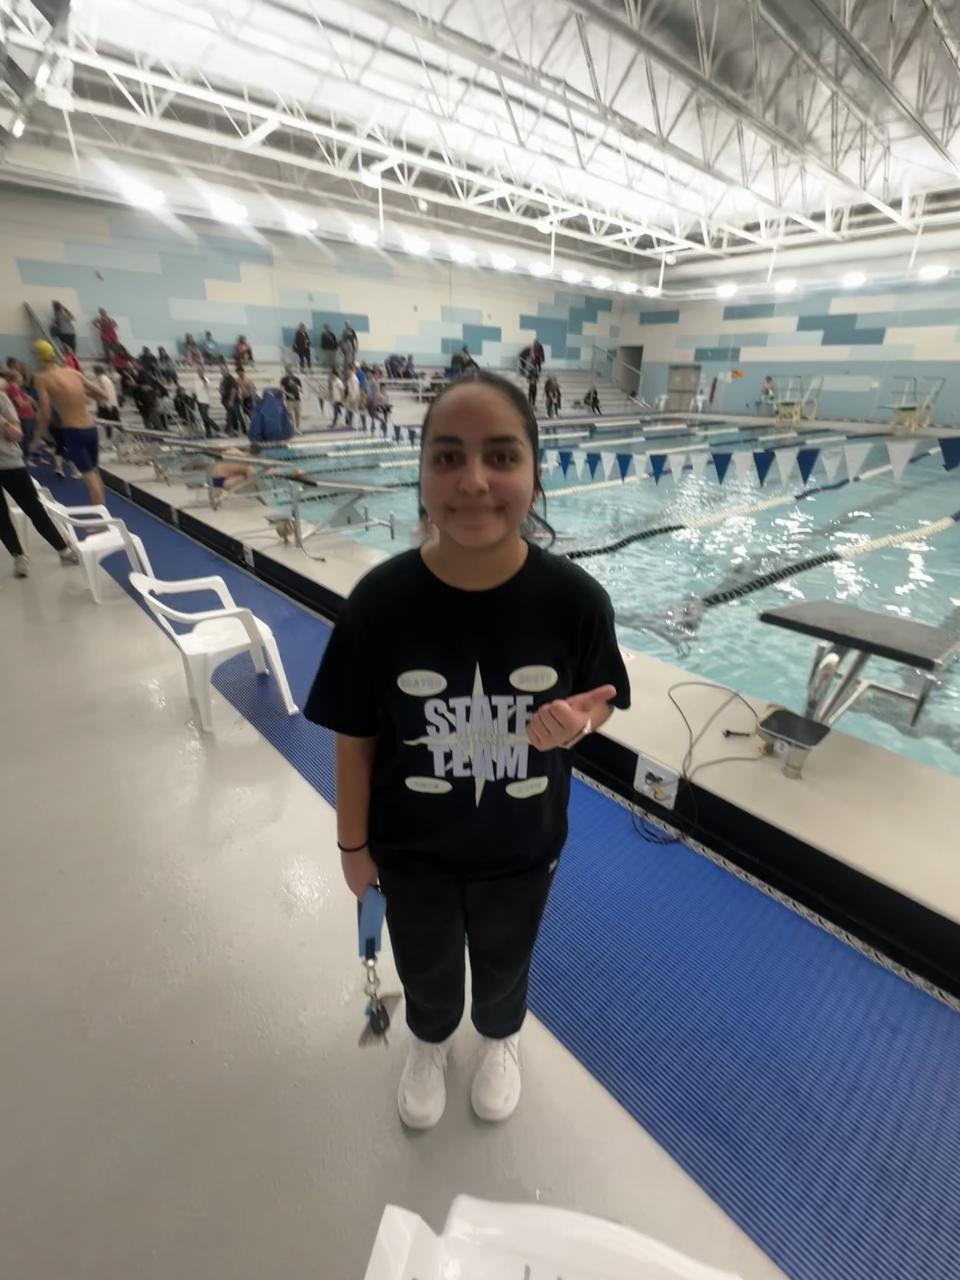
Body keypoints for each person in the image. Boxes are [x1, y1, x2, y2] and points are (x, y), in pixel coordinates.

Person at [303, 370, 630, 1130]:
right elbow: (356, 738)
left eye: (502, 457)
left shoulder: (576, 602)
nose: (474, 481)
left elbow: (602, 701)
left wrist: (580, 725)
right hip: (410, 850)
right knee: (424, 959)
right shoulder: (379, 604)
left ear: (535, 474)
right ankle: (428, 1040)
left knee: (508, 957)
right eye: (448, 457)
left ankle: (500, 1037)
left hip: (522, 845)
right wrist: (352, 847)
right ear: (421, 473)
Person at [0, 381, 78, 578]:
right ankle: (18, 557)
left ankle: (62, 549)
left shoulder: (1, 398)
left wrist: (3, 422)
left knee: (34, 509)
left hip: (10, 464)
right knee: (1, 517)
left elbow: (17, 435)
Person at [33, 340, 109, 506]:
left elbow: (45, 414)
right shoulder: (73, 373)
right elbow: (103, 395)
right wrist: (80, 393)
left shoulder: (42, 379)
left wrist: (36, 439)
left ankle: (101, 519)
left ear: (38, 358)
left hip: (74, 432)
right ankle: (104, 513)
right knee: (95, 475)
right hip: (91, 429)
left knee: (91, 482)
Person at [5, 369, 38, 457]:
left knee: (29, 436)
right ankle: (23, 456)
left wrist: (30, 400)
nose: (21, 377)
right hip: (24, 416)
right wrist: (29, 401)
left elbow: (27, 398)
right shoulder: (12, 388)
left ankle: (26, 454)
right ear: (15, 378)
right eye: (18, 375)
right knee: (24, 438)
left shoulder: (16, 387)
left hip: (28, 416)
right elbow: (21, 404)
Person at [91, 364, 120, 440]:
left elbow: (105, 392)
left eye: (94, 370)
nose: (93, 372)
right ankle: (109, 437)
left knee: (110, 422)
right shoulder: (103, 378)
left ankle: (110, 437)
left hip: (107, 405)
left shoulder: (102, 379)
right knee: (109, 422)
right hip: (108, 404)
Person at [191, 366, 217, 437]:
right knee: (204, 417)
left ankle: (214, 425)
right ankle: (209, 432)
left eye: (201, 371)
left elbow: (207, 386)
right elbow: (194, 390)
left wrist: (203, 380)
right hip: (199, 401)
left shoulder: (206, 379)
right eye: (199, 371)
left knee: (204, 416)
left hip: (205, 401)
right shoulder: (196, 380)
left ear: (203, 372)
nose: (200, 373)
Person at [219, 362, 243, 437]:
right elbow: (222, 389)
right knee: (233, 416)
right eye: (221, 370)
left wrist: (231, 401)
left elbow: (234, 390)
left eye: (223, 370)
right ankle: (235, 431)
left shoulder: (231, 379)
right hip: (226, 400)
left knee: (231, 415)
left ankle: (227, 431)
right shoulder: (223, 379)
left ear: (227, 370)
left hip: (233, 401)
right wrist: (221, 391)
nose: (222, 371)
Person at [281, 365, 303, 434]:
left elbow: (301, 389)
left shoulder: (297, 379)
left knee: (298, 414)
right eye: (290, 369)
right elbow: (281, 389)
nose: (292, 371)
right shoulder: (284, 379)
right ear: (287, 370)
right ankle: (292, 428)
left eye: (292, 369)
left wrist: (299, 388)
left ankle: (298, 428)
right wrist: (288, 394)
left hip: (297, 399)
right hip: (289, 399)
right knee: (290, 415)